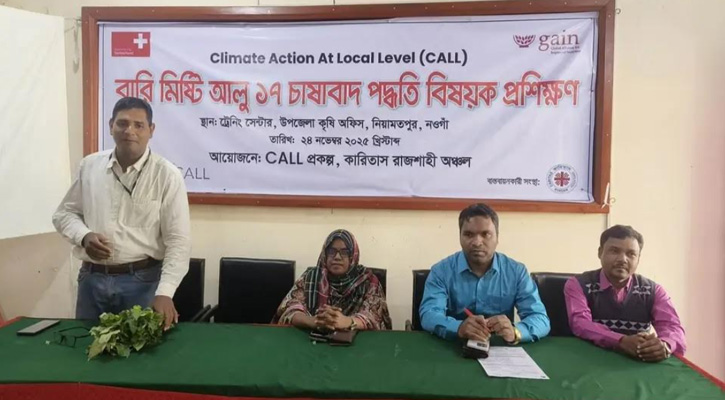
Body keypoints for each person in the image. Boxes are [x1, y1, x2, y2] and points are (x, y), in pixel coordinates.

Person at [52, 97, 191, 329]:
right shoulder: (90, 166)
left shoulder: (166, 175)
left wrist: (165, 292)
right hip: (92, 281)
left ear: (151, 130)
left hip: (143, 283)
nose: (129, 131)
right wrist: (84, 236)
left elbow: (178, 241)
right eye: (122, 123)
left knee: (140, 350)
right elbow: (64, 214)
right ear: (111, 126)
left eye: (139, 125)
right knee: (86, 345)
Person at [420, 203, 550, 344]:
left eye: (486, 234)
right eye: (468, 234)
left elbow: (540, 318)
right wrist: (458, 327)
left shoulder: (516, 272)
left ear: (497, 237)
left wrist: (515, 331)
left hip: (500, 347)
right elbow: (429, 314)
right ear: (460, 237)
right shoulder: (441, 271)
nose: (477, 242)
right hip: (455, 344)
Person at [564, 225, 686, 361]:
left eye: (631, 254)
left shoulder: (653, 291)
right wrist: (620, 341)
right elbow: (580, 324)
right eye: (614, 251)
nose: (622, 259)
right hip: (589, 360)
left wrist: (665, 344)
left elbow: (673, 327)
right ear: (600, 252)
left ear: (638, 258)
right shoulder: (579, 284)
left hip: (638, 362)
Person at [273, 229, 392, 331]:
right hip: (313, 339)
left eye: (344, 252)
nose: (337, 257)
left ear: (353, 256)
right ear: (325, 254)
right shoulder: (311, 276)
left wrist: (347, 322)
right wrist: (315, 321)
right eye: (332, 251)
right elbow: (290, 308)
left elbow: (374, 316)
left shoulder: (368, 281)